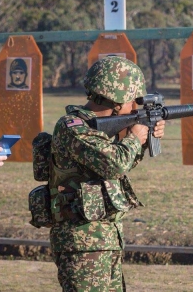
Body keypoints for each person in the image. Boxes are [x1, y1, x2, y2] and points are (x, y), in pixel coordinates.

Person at [48, 56, 165, 291]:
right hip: (81, 242)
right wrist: (134, 138)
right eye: (132, 100)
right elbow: (114, 164)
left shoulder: (99, 131)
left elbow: (115, 171)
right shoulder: (73, 127)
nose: (135, 106)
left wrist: (141, 142)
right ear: (116, 99)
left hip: (105, 238)